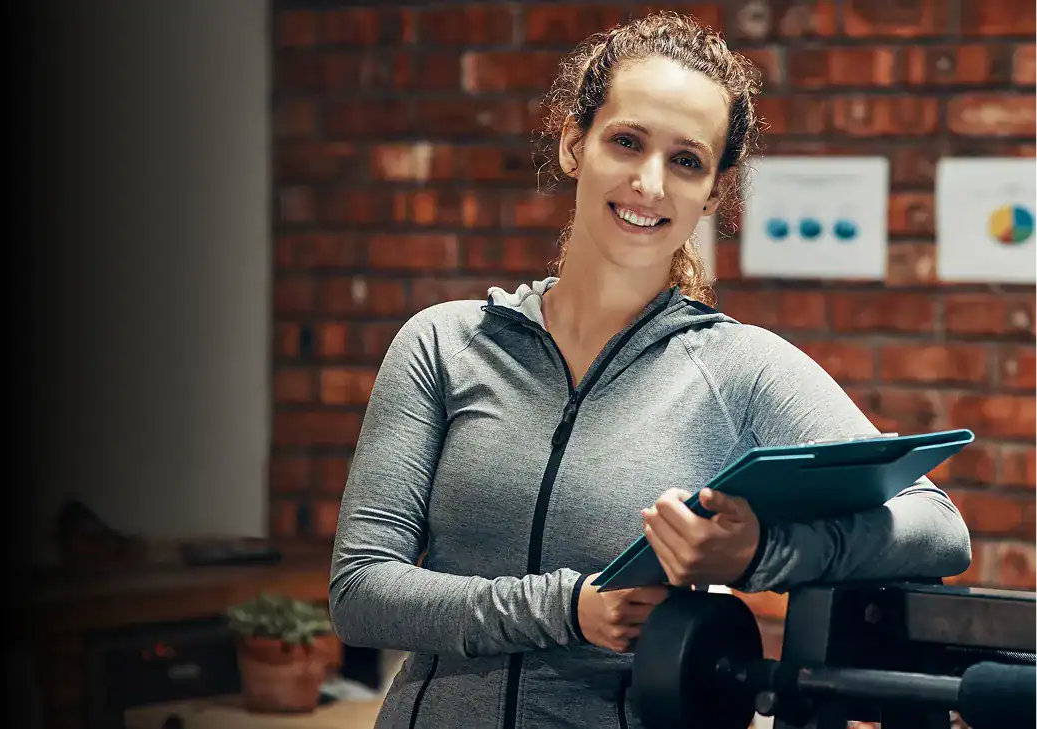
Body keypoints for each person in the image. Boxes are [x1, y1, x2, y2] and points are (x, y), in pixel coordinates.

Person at [327, 12, 973, 729]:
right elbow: (361, 591)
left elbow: (937, 525)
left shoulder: (737, 367)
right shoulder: (444, 345)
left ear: (714, 193)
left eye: (686, 160)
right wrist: (570, 607)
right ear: (575, 143)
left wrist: (759, 552)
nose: (648, 182)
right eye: (626, 141)